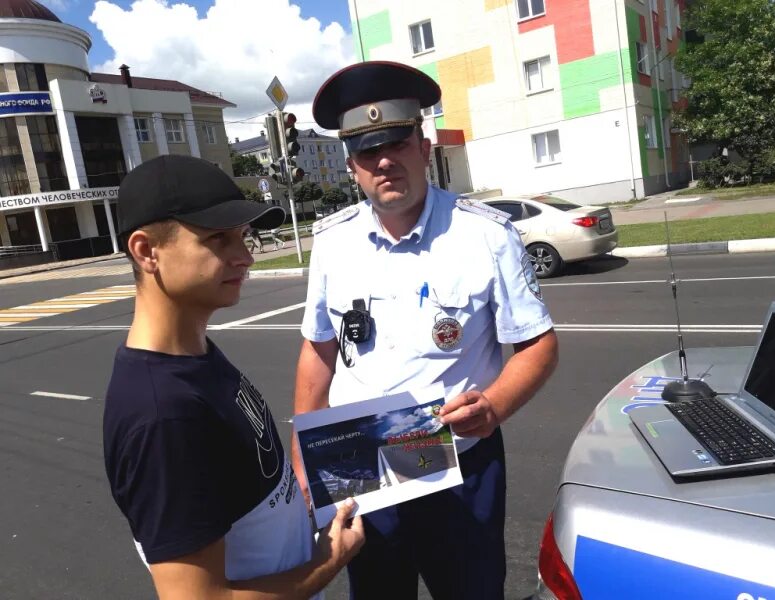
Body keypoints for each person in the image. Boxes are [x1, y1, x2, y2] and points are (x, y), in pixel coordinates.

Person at [292, 62, 559, 599]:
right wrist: (302, 461)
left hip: (455, 461)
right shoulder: (332, 243)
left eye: (396, 142)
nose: (385, 161)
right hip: (361, 462)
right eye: (369, 151)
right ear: (352, 165)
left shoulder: (485, 235)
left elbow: (538, 344)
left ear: (424, 144)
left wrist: (495, 407)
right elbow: (318, 351)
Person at [103, 155, 364, 599]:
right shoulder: (163, 416)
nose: (243, 256)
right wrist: (330, 559)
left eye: (242, 236)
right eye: (217, 239)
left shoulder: (194, 353)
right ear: (147, 252)